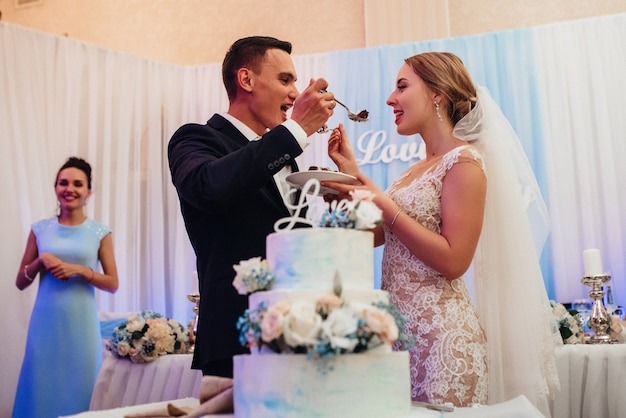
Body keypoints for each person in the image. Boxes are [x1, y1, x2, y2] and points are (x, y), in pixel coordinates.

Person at [325, 52, 561, 415]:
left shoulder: (464, 162)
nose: (390, 98)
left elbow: (454, 260)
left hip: (444, 344)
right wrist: (349, 180)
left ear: (438, 93)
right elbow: (375, 238)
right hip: (397, 339)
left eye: (402, 87)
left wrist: (382, 202)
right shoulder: (411, 173)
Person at [168, 36, 335, 379]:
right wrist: (295, 130)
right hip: (235, 337)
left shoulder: (283, 157)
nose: (294, 93)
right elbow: (209, 187)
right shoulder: (196, 138)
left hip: (298, 334)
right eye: (285, 80)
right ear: (246, 80)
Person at [12, 157, 119, 418]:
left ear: (88, 191)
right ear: (55, 188)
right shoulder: (40, 230)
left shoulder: (99, 233)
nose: (69, 188)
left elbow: (113, 283)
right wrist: (40, 261)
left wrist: (82, 271)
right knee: (40, 387)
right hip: (45, 325)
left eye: (77, 184)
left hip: (81, 327)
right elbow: (20, 281)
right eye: (63, 183)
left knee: (81, 387)